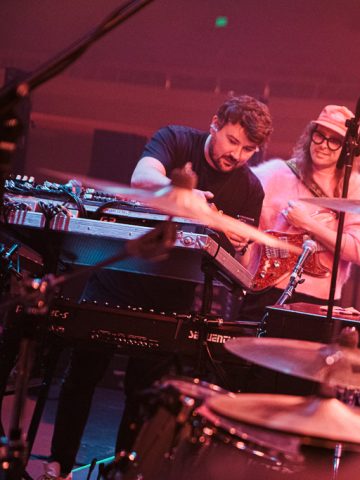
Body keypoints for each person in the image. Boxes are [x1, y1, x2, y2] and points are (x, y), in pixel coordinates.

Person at [38, 95, 273, 480]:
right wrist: (188, 198)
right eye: (233, 141)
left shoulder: (249, 187)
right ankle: (58, 463)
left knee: (143, 393)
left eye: (249, 149)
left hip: (172, 297)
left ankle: (123, 471)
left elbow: (240, 266)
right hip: (119, 277)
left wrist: (242, 248)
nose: (239, 155)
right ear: (215, 123)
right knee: (82, 375)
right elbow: (142, 177)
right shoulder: (176, 139)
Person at [238, 105, 360, 320]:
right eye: (319, 136)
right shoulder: (274, 173)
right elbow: (238, 210)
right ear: (310, 136)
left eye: (334, 141)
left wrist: (309, 224)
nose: (323, 145)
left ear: (347, 148)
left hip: (319, 305)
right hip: (263, 293)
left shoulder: (357, 189)